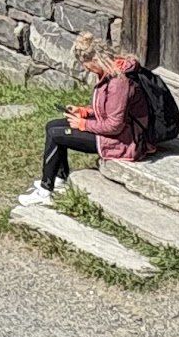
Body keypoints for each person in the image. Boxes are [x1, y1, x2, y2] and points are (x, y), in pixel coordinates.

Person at [16, 34, 155, 207]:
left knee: (55, 134)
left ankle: (45, 191)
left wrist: (84, 124)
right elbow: (109, 108)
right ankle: (60, 178)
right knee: (52, 125)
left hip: (123, 141)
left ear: (95, 59)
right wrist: (84, 112)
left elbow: (114, 125)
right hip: (115, 134)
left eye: (85, 64)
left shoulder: (119, 82)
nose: (85, 68)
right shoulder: (109, 73)